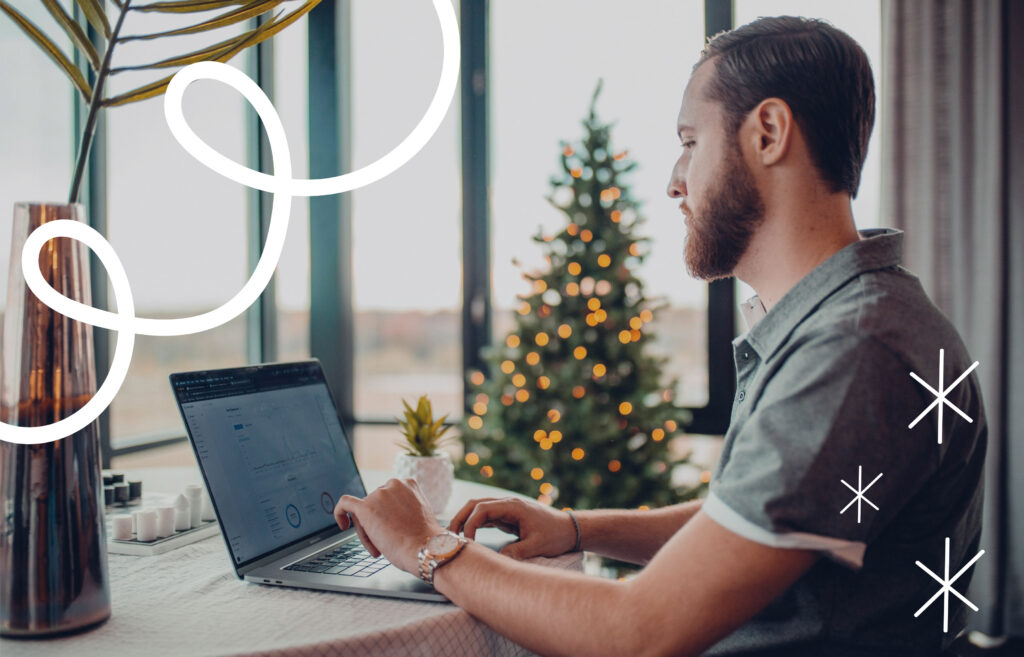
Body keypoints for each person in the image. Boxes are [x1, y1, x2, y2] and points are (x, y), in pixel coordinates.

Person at [335, 16, 986, 657]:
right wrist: (576, 529)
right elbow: (751, 523)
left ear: (768, 132)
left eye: (690, 142)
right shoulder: (848, 323)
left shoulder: (853, 350)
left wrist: (424, 544)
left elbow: (641, 632)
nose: (674, 181)